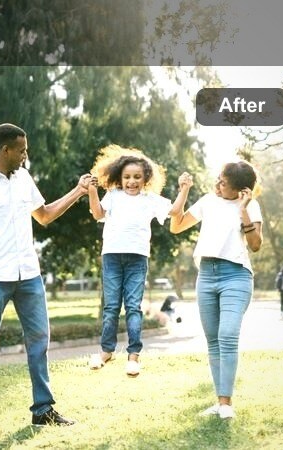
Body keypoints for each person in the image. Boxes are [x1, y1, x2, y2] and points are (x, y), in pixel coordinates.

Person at [0, 123, 91, 433]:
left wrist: (78, 191)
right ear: (5, 149)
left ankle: (43, 410)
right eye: (22, 149)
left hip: (29, 275)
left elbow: (44, 215)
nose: (25, 155)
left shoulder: (23, 178)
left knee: (39, 342)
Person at [85, 145, 192, 377]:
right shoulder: (113, 196)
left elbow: (174, 210)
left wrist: (184, 189)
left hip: (137, 259)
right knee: (112, 306)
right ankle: (106, 351)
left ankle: (133, 356)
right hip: (112, 256)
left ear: (145, 179)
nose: (131, 181)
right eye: (127, 177)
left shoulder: (150, 200)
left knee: (133, 306)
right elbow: (97, 214)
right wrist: (92, 191)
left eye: (136, 177)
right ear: (119, 178)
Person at [170, 160, 263, 420]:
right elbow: (175, 227)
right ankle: (220, 402)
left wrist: (243, 210)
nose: (217, 184)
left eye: (224, 182)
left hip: (236, 275)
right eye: (219, 179)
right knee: (213, 341)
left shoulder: (251, 205)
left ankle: (226, 404)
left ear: (241, 190)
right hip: (207, 275)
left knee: (228, 335)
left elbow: (255, 245)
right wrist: (184, 191)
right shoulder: (208, 201)